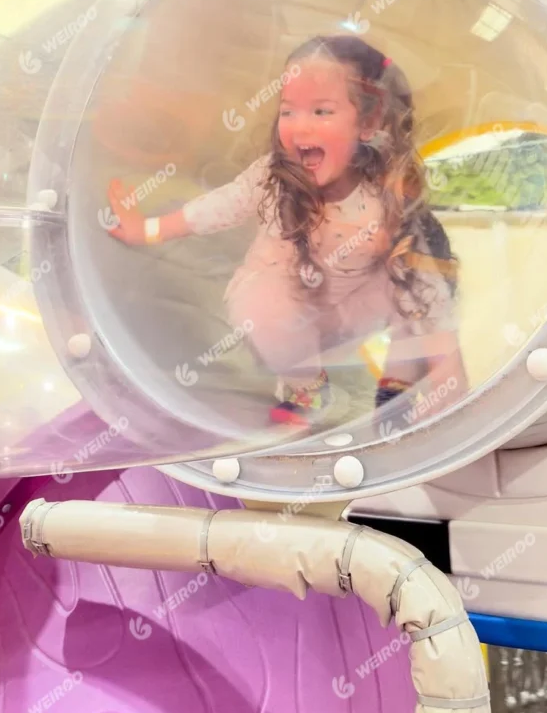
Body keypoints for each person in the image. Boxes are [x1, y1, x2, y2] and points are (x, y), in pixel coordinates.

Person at [106, 35, 468, 428]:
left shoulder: (383, 201)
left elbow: (425, 288)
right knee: (260, 305)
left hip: (363, 302)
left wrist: (448, 372)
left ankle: (401, 380)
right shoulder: (274, 178)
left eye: (321, 111)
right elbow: (219, 207)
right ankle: (307, 389)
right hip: (303, 305)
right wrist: (149, 230)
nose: (299, 127)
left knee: (409, 284)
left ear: (367, 122)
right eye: (288, 111)